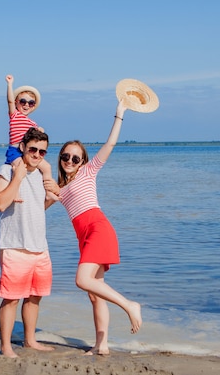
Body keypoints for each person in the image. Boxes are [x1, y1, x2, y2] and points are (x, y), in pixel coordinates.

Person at [54, 101, 142, 355]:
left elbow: (110, 144)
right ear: (60, 158)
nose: (70, 160)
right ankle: (101, 345)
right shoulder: (58, 189)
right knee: (95, 294)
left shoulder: (88, 173)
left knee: (82, 280)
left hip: (98, 229)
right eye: (65, 156)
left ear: (83, 161)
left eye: (75, 158)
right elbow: (41, 202)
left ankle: (129, 305)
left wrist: (120, 114)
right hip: (84, 237)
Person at [0, 127, 60, 358]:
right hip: (14, 246)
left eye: (42, 152)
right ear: (22, 147)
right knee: (11, 299)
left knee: (34, 297)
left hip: (40, 247)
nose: (37, 155)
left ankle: (30, 340)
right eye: (33, 149)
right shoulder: (7, 170)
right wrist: (19, 177)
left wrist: (52, 198)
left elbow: (37, 208)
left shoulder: (42, 174)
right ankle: (6, 347)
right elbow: (1, 203)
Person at [4, 74, 58, 201]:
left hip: (27, 151)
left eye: (30, 103)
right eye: (23, 101)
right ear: (17, 102)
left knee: (47, 167)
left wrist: (40, 130)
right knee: (19, 169)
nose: (26, 105)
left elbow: (36, 138)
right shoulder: (14, 115)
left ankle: (48, 191)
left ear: (34, 106)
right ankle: (14, 193)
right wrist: (10, 84)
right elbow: (9, 101)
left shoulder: (33, 123)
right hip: (15, 151)